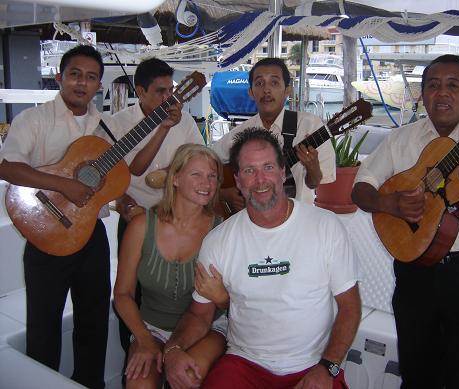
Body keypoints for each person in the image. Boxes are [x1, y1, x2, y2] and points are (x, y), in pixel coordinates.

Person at [351, 54, 459, 389]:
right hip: (415, 274)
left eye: (453, 85)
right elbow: (360, 188)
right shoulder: (402, 139)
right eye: (432, 85)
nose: (442, 93)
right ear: (422, 94)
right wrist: (390, 203)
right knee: (416, 373)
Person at [164, 128, 361, 389]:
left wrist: (329, 367)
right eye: (249, 170)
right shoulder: (219, 240)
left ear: (283, 172)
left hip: (313, 365)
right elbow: (200, 316)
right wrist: (172, 350)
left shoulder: (326, 227)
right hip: (245, 363)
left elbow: (350, 308)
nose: (260, 180)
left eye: (268, 167)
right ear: (237, 180)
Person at [0, 45, 125, 389]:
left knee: (94, 321)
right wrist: (62, 185)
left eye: (90, 77)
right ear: (59, 77)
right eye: (74, 74)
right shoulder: (34, 119)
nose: (81, 83)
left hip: (91, 235)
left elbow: (116, 175)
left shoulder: (107, 128)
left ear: (99, 84)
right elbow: (8, 167)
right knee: (43, 326)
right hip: (45, 233)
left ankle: (89, 383)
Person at [111, 56, 204, 370]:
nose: (169, 99)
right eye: (160, 91)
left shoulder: (186, 121)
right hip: (136, 219)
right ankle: (137, 349)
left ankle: (176, 348)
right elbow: (129, 172)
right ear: (140, 91)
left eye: (172, 91)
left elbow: (199, 161)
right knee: (132, 293)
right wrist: (163, 129)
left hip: (177, 220)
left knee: (182, 291)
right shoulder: (117, 124)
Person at [114, 143, 227, 389]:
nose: (206, 183)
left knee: (188, 377)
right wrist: (144, 339)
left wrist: (222, 297)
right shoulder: (141, 226)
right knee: (139, 384)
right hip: (152, 328)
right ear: (175, 178)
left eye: (212, 176)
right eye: (196, 174)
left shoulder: (222, 230)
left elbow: (234, 300)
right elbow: (122, 294)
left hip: (207, 328)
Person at [211, 57, 336, 212]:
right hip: (250, 221)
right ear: (251, 92)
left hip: (299, 220)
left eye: (274, 82)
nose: (266, 90)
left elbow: (314, 183)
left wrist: (312, 167)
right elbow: (206, 160)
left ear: (287, 90)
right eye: (259, 83)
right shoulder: (241, 134)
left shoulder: (310, 126)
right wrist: (222, 194)